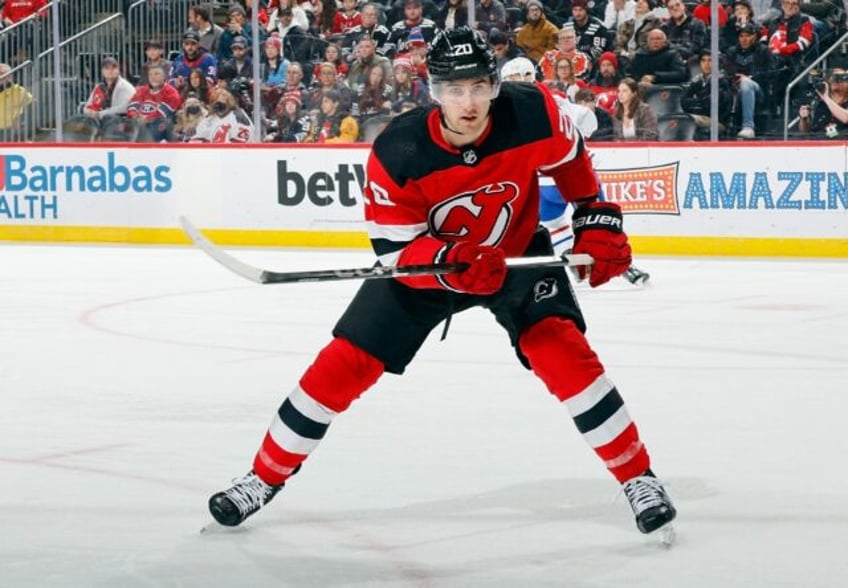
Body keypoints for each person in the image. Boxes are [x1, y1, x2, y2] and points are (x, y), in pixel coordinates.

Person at [207, 26, 677, 540]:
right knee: (342, 365)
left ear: (495, 84)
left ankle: (638, 479)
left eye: (478, 86)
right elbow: (394, 252)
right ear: (433, 91)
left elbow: (571, 162)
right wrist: (451, 258)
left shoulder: (534, 112)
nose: (468, 102)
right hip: (428, 271)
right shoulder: (398, 151)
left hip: (515, 254)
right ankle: (262, 477)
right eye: (454, 89)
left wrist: (595, 216)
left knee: (562, 351)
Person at [798, 68, 848, 138]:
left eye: (841, 78)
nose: (837, 81)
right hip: (819, 144)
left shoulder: (826, 99)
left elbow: (846, 118)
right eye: (834, 78)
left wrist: (826, 98)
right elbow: (805, 132)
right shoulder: (818, 103)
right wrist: (803, 120)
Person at [82, 57, 136, 122]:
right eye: (107, 68)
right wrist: (88, 111)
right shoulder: (100, 86)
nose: (110, 71)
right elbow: (88, 105)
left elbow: (124, 108)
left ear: (118, 70)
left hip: (120, 122)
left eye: (114, 68)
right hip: (100, 120)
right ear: (102, 71)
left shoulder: (125, 86)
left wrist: (100, 114)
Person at [612, 76, 658, 140]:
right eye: (619, 91)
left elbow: (650, 134)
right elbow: (616, 137)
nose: (620, 94)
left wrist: (631, 146)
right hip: (623, 149)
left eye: (624, 91)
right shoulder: (617, 113)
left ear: (634, 93)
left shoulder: (645, 110)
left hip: (644, 148)